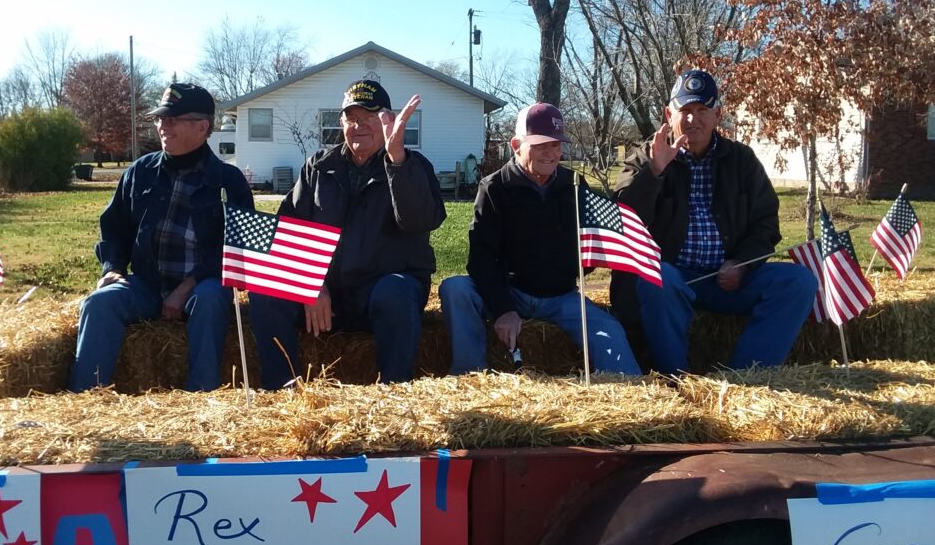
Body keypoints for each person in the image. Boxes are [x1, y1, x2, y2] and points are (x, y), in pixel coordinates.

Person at [612, 69, 818, 375]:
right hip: (672, 280)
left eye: (702, 110)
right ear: (670, 114)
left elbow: (765, 223)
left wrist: (743, 263)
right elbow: (621, 220)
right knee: (658, 276)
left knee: (798, 282)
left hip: (729, 278)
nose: (694, 119)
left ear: (718, 114)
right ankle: (676, 381)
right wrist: (655, 171)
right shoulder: (645, 157)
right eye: (685, 111)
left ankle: (744, 378)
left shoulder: (741, 160)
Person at [247, 79, 447, 390]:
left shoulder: (413, 166)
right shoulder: (318, 167)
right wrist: (311, 283)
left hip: (381, 292)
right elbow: (288, 230)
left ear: (388, 121)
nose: (359, 126)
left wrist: (397, 161)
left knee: (396, 292)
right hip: (327, 295)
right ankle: (281, 391)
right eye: (351, 118)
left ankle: (395, 392)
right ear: (340, 122)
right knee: (265, 288)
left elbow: (421, 221)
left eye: (369, 118)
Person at [69, 83, 253, 392]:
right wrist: (112, 267)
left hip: (201, 285)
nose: (162, 126)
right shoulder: (140, 171)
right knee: (98, 304)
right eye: (160, 119)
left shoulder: (227, 180)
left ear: (202, 127)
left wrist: (187, 287)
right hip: (147, 284)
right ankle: (84, 398)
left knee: (210, 300)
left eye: (173, 119)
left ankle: (202, 397)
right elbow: (113, 226)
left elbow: (239, 249)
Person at [440, 103, 641, 376]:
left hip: (562, 297)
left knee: (610, 331)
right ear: (516, 145)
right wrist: (502, 309)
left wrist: (585, 262)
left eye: (557, 145)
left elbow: (589, 245)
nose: (551, 153)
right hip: (513, 292)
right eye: (540, 145)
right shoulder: (495, 188)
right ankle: (470, 375)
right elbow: (482, 258)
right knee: (456, 289)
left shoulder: (573, 184)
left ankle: (630, 399)